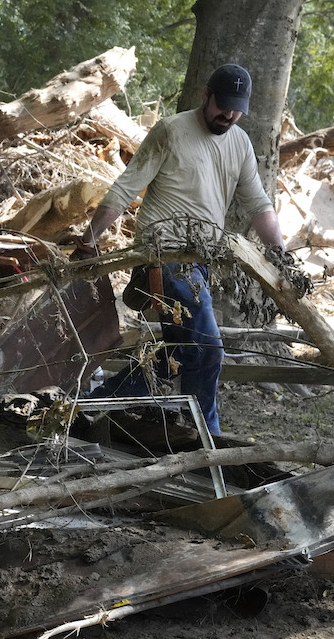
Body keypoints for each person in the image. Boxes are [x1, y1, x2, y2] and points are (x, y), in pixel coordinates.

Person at [73, 62, 285, 436]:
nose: (229, 115)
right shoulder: (170, 131)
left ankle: (93, 403)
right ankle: (209, 436)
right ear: (207, 96)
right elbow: (125, 189)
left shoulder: (239, 143)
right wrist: (90, 240)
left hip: (199, 264)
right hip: (163, 258)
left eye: (237, 109)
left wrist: (281, 255)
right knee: (209, 349)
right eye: (223, 106)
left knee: (178, 351)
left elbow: (260, 206)